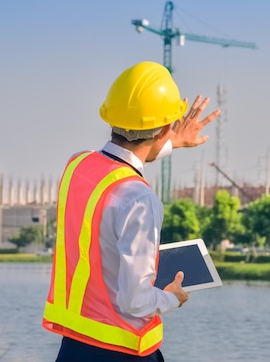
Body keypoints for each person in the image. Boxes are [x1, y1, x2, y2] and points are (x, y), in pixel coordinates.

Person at [42, 61, 220, 361]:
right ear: (165, 128)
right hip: (123, 353)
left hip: (73, 347)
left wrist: (168, 141)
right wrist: (171, 297)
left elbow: (117, 161)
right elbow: (135, 300)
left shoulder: (77, 166)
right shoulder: (139, 199)